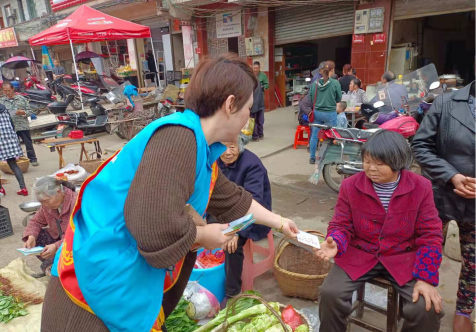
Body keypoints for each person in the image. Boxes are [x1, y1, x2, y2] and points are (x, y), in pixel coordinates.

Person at [40, 53, 299, 332]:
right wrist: (204, 235)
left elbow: (233, 198)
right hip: (94, 287)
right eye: (249, 108)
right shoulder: (179, 139)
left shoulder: (201, 150)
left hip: (119, 279)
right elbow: (152, 226)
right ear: (230, 105)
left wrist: (280, 222)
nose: (250, 116)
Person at [317, 130, 444, 332]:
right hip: (360, 252)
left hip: (402, 256)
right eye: (367, 161)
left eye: (380, 163)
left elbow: (430, 234)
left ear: (397, 162)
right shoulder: (350, 186)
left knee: (426, 307)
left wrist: (425, 278)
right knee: (331, 293)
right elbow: (341, 224)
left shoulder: (421, 186)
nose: (371, 169)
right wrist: (336, 240)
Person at [412, 81, 476, 332]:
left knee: (473, 261)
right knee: (428, 248)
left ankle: (464, 310)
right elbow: (420, 146)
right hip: (441, 195)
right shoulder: (446, 102)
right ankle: (424, 295)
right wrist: (451, 176)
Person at [212, 134, 271, 306]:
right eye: (223, 147)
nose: (228, 152)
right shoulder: (215, 162)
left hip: (252, 217)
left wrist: (235, 230)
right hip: (223, 212)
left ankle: (232, 294)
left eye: (232, 147)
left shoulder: (252, 165)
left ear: (241, 146)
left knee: (232, 244)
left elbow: (254, 204)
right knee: (198, 231)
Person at [23, 177, 77, 278]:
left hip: (76, 242)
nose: (45, 205)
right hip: (60, 238)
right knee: (37, 236)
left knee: (57, 268)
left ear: (59, 191)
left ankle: (57, 270)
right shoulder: (46, 205)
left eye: (47, 201)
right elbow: (36, 221)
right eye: (42, 203)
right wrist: (31, 236)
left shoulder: (76, 202)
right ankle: (52, 266)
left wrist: (56, 246)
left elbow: (78, 234)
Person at [308, 60, 342, 164]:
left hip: (317, 113)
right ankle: (329, 157)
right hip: (330, 114)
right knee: (332, 135)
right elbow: (338, 98)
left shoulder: (315, 83)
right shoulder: (335, 83)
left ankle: (312, 157)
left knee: (314, 135)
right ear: (332, 71)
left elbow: (310, 97)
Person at [0, 82, 39, 167]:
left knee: (28, 143)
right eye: (5, 91)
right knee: (14, 145)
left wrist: (23, 112)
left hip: (22, 125)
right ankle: (18, 161)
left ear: (13, 89)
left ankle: (33, 159)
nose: (7, 93)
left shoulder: (21, 99)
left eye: (9, 90)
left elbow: (30, 111)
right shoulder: (1, 101)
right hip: (9, 128)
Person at [0, 103, 27, 196]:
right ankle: (23, 188)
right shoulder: (4, 108)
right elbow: (12, 124)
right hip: (9, 139)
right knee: (13, 164)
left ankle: (1, 190)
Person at [250, 71, 265, 141]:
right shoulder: (257, 79)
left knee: (253, 121)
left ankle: (255, 136)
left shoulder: (250, 81)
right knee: (260, 120)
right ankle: (261, 134)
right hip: (260, 103)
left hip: (254, 104)